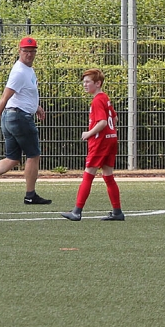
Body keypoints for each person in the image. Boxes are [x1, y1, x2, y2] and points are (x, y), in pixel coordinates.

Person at [0, 37, 52, 206]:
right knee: (33, 155)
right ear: (19, 51)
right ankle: (30, 195)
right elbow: (5, 97)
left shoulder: (27, 70)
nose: (29, 54)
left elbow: (24, 94)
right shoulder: (19, 72)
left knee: (12, 158)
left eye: (32, 51)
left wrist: (36, 106)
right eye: (25, 51)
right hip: (19, 117)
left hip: (12, 117)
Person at [61, 69, 124, 221]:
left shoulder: (97, 100)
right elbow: (114, 119)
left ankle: (77, 211)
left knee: (88, 173)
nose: (85, 84)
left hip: (100, 142)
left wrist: (89, 133)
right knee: (108, 175)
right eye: (84, 82)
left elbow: (103, 122)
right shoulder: (105, 97)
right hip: (111, 139)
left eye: (88, 82)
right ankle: (117, 212)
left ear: (98, 83)